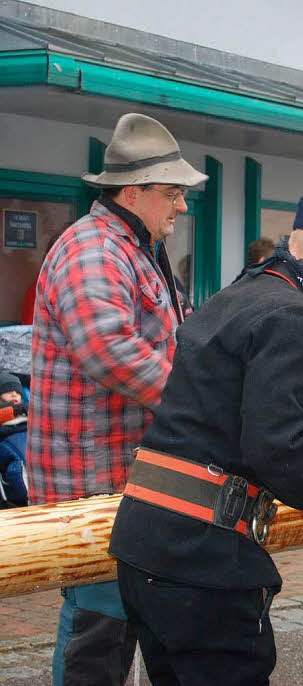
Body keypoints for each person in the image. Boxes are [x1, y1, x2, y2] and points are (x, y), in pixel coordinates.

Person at [108, 194, 303, 685]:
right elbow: (277, 445)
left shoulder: (238, 294)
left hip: (145, 546)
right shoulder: (290, 315)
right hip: (203, 561)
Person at [25, 112, 203, 685]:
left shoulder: (135, 249)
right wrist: (202, 402)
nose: (180, 206)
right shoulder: (94, 250)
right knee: (97, 631)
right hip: (91, 484)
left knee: (117, 621)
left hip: (125, 479)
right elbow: (108, 351)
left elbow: (181, 337)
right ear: (135, 191)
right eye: (172, 194)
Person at [0, 370, 28, 507]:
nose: (14, 394)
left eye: (17, 391)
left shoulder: (27, 408)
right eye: (8, 390)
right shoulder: (20, 409)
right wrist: (17, 410)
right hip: (6, 438)